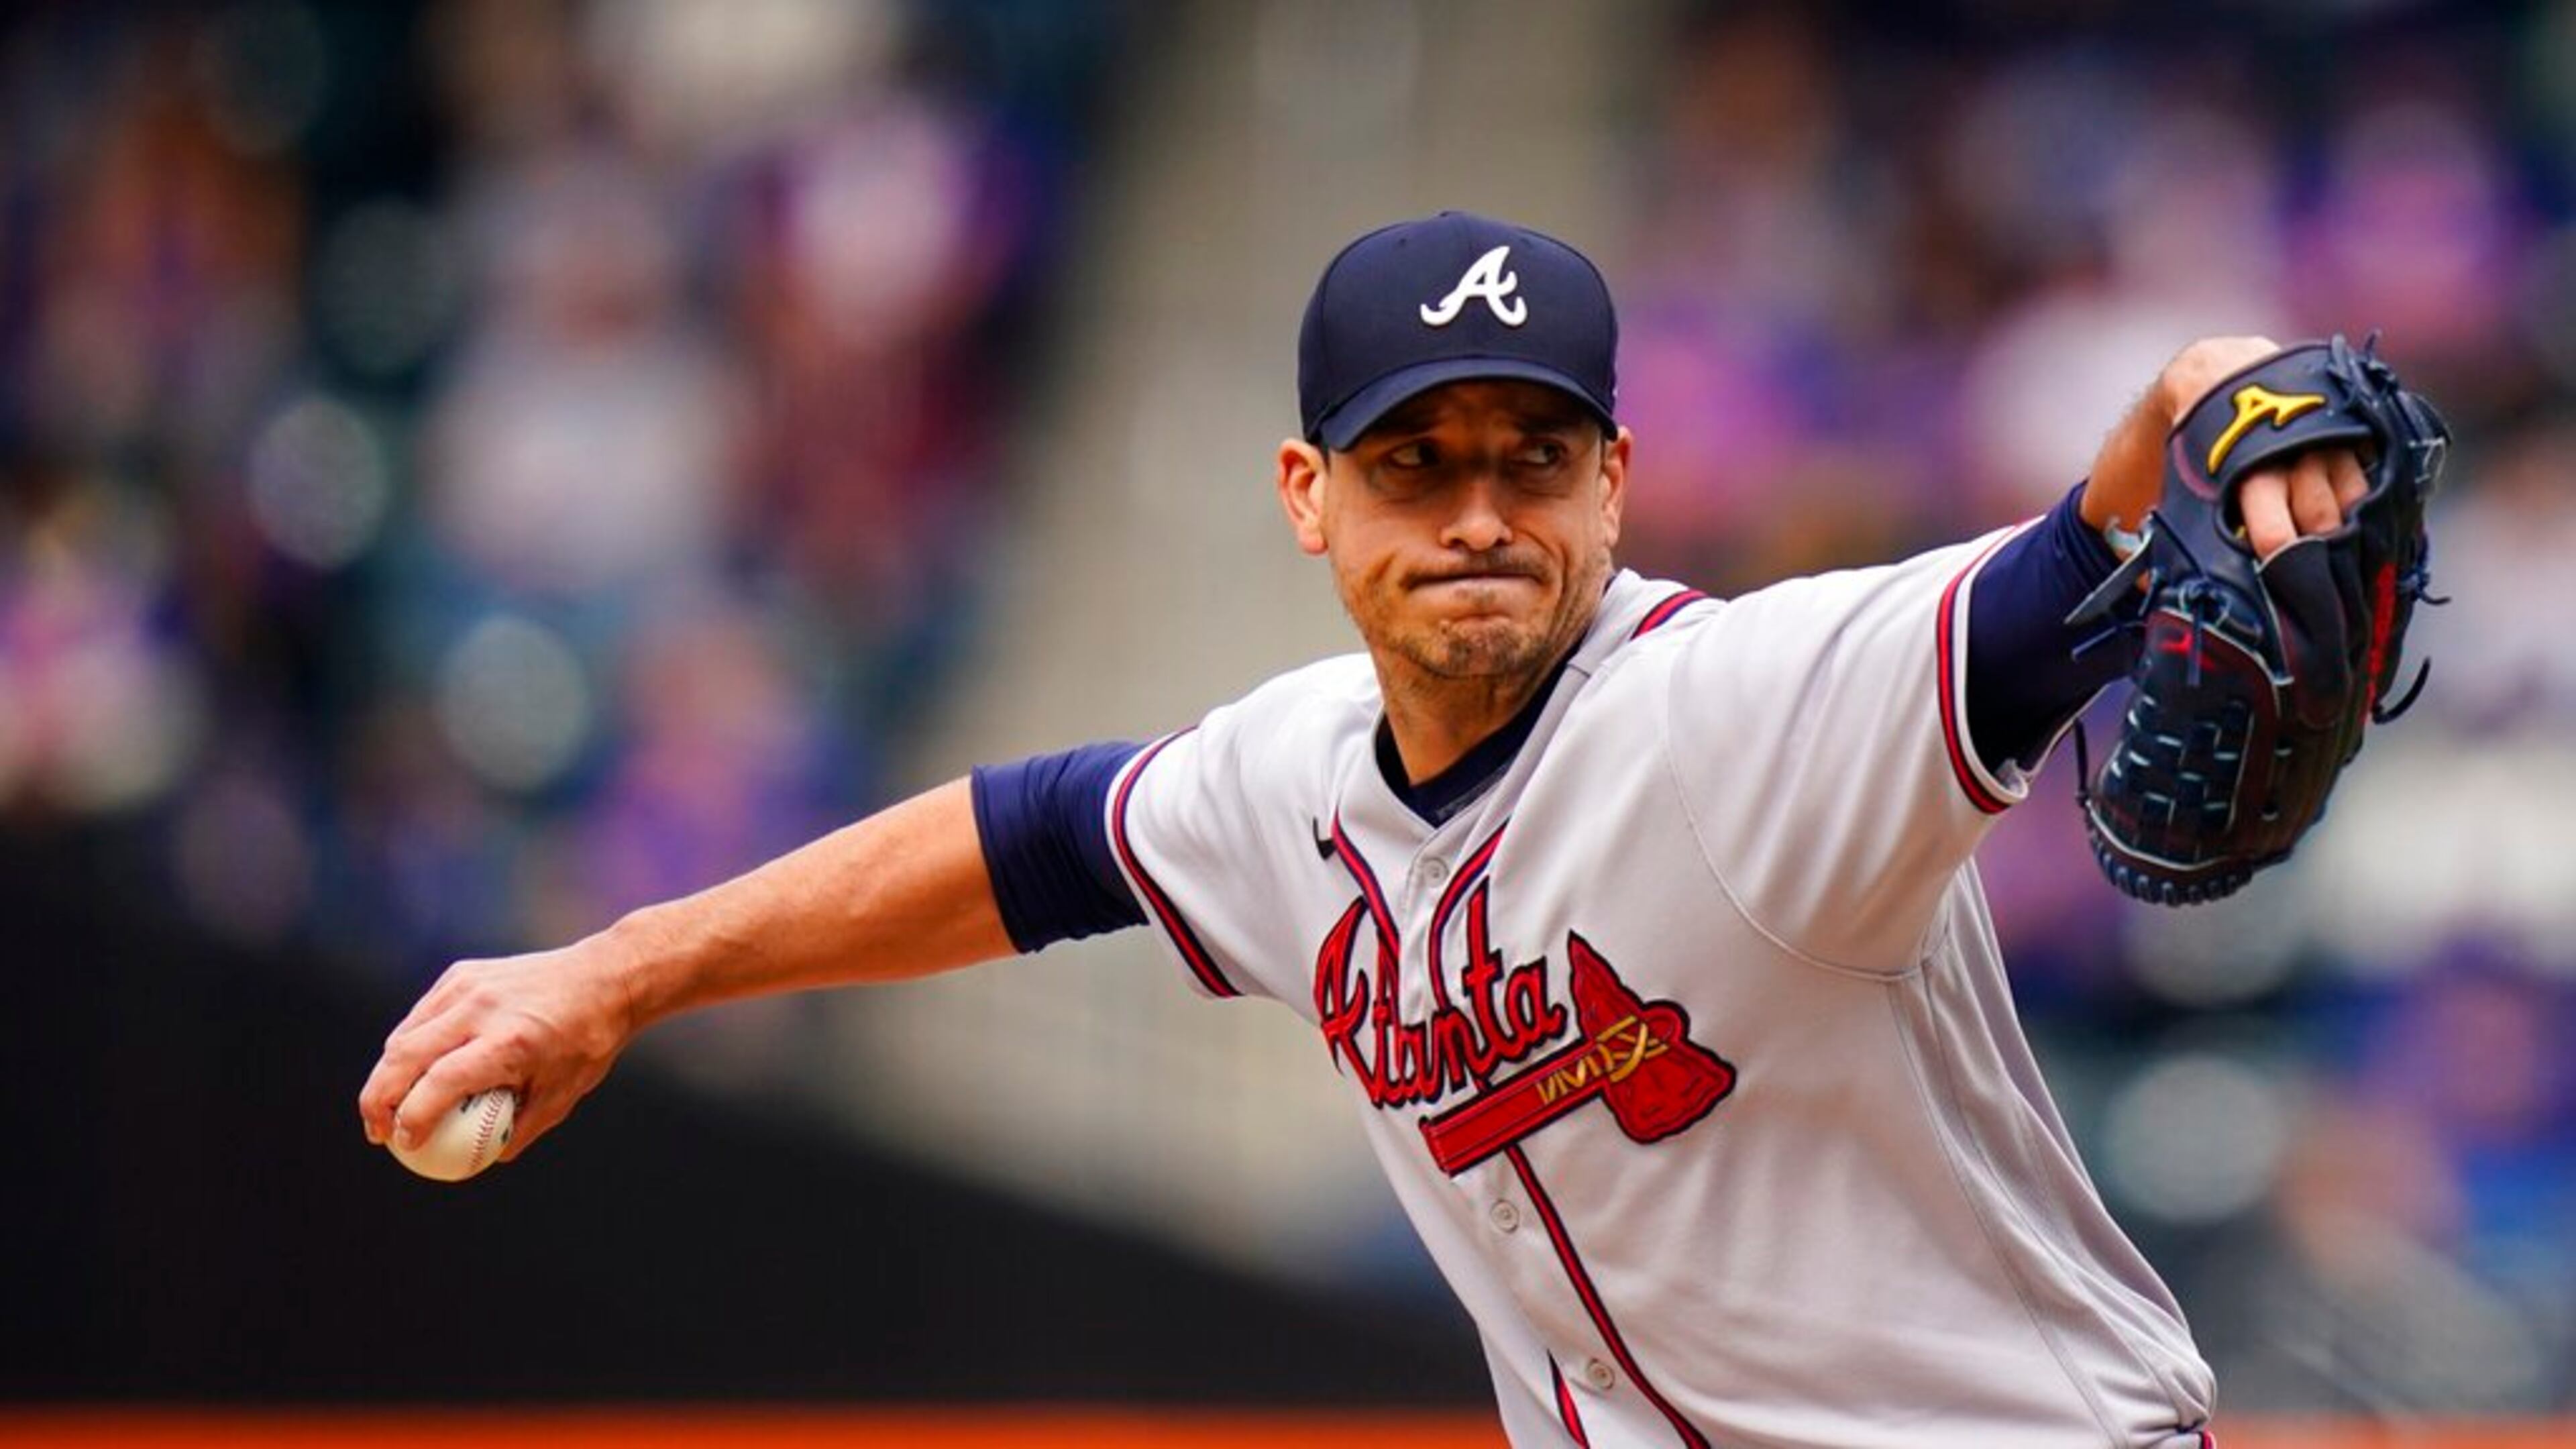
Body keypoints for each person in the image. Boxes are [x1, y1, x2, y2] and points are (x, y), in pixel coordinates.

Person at [361, 211, 2372, 1447]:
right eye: (1416, 464)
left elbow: (2069, 564)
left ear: (1616, 484)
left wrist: (2208, 391)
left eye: (1534, 456)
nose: (1480, 510)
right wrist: (617, 969)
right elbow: (1032, 840)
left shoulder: (1744, 709)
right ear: (1310, 497)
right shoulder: (1294, 780)